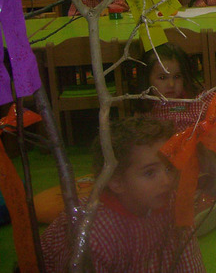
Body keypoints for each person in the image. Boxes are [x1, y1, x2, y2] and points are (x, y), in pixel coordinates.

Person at [40, 117, 206, 273]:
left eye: (169, 168)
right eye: (149, 173)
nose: (167, 181)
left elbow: (189, 264)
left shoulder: (172, 205)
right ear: (116, 182)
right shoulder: (96, 233)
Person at [135, 42, 216, 235]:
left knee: (211, 141)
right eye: (162, 77)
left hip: (204, 165)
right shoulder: (148, 111)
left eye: (177, 77)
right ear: (147, 80)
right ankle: (202, 206)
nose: (170, 84)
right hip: (171, 169)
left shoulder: (196, 100)